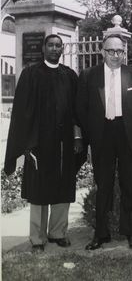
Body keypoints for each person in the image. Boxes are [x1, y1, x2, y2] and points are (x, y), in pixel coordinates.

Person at [4, 34, 83, 253]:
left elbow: (77, 111)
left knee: (63, 185)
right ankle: (37, 238)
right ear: (43, 48)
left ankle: (58, 232)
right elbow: (22, 112)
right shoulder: (31, 74)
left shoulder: (69, 76)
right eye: (51, 45)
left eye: (59, 46)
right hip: (39, 142)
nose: (55, 49)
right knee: (39, 190)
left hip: (64, 143)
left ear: (62, 49)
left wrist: (77, 137)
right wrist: (28, 143)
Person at [76, 34, 132, 250]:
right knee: (103, 186)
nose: (116, 55)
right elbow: (81, 109)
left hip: (126, 135)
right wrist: (91, 134)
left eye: (119, 51)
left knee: (130, 187)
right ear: (102, 52)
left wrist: (127, 122)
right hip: (102, 136)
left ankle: (131, 233)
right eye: (111, 51)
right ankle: (101, 234)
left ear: (123, 52)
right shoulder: (88, 76)